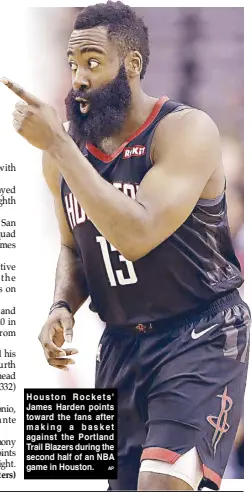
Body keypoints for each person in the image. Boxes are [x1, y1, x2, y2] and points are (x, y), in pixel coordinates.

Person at [1, 2, 250, 490]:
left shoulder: (185, 131)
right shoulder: (65, 157)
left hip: (198, 335)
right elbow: (75, 249)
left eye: (93, 62)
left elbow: (134, 235)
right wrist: (62, 305)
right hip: (119, 343)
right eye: (72, 65)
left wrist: (59, 146)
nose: (78, 79)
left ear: (132, 64)